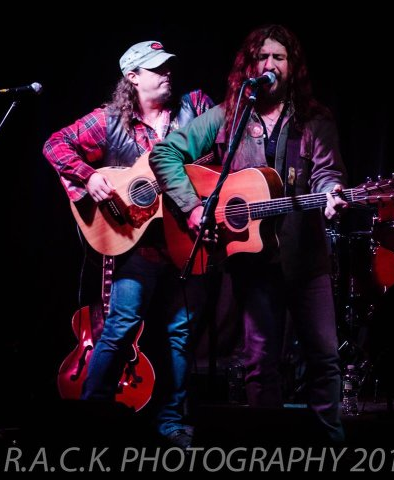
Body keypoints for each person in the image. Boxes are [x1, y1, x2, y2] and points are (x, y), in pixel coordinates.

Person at [149, 24, 348, 443]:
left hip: (306, 257)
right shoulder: (229, 116)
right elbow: (165, 152)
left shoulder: (315, 119)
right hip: (253, 262)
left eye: (279, 57)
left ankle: (330, 447)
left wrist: (331, 194)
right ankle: (268, 448)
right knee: (259, 363)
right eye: (262, 57)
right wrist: (192, 205)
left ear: (292, 66)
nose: (270, 64)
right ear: (250, 66)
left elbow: (328, 172)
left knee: (324, 358)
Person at [43, 40, 214, 448]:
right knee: (121, 327)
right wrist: (89, 176)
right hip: (134, 243)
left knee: (181, 333)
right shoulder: (109, 120)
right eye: (157, 68)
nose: (167, 73)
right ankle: (91, 418)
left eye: (169, 66)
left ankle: (172, 423)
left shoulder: (195, 108)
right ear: (132, 77)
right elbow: (55, 144)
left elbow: (229, 149)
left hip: (185, 240)